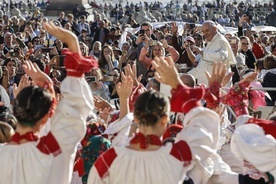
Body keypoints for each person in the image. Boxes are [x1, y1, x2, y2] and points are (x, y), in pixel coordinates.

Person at [87, 56, 224, 184]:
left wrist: (125, 99)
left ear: (135, 118)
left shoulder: (109, 159)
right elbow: (204, 130)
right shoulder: (176, 156)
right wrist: (178, 85)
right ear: (165, 120)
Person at [0, 22, 97, 184]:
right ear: (47, 117)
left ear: (15, 111)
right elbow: (76, 108)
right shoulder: (53, 148)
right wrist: (72, 43)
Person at [188, 20, 236, 85]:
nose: (205, 33)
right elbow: (199, 61)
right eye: (203, 31)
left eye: (207, 30)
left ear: (215, 29)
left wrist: (202, 52)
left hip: (218, 83)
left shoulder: (220, 40)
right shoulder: (211, 41)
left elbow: (221, 57)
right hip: (207, 81)